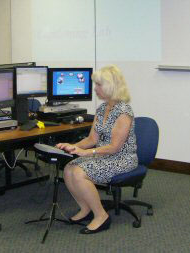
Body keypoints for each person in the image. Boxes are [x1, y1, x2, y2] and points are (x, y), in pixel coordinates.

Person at [56, 65, 138, 234]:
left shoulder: (124, 111)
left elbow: (115, 147)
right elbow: (92, 139)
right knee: (68, 169)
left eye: (99, 85)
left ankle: (101, 216)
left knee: (79, 173)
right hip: (103, 154)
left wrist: (87, 152)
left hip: (122, 158)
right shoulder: (102, 109)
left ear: (110, 86)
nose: (95, 89)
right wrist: (73, 146)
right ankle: (85, 208)